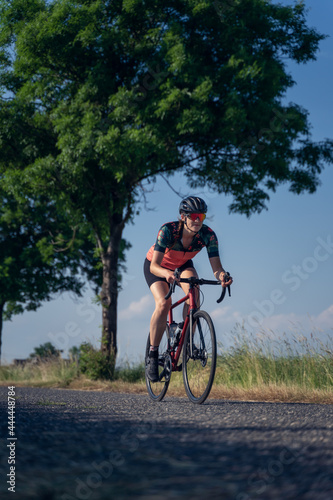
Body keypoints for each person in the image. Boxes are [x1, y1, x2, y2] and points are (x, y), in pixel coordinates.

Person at [143, 196, 233, 382]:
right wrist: (167, 274)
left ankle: (183, 336)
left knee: (194, 292)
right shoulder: (168, 231)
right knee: (164, 303)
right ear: (183, 217)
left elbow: (217, 268)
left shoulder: (208, 235)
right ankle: (152, 355)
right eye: (193, 216)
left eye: (201, 215)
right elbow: (154, 265)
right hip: (157, 267)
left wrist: (223, 277)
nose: (197, 220)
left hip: (182, 265)